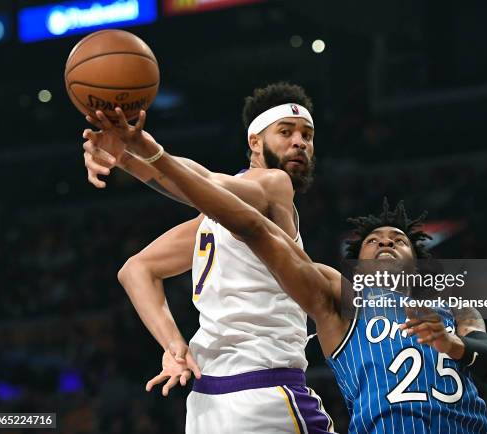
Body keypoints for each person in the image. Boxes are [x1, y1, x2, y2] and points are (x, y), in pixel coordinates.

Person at [107, 130, 487, 433]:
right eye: (374, 242)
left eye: (398, 241)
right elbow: (253, 227)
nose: (387, 243)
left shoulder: (455, 307)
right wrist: (142, 156)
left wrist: (455, 345)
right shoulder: (338, 296)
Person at [82, 83, 334, 433]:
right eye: (286, 132)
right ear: (254, 142)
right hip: (265, 392)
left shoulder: (209, 221)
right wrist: (139, 150)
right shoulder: (275, 184)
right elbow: (205, 182)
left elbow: (137, 268)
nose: (300, 142)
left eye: (307, 135)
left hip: (206, 406)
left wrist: (174, 345)